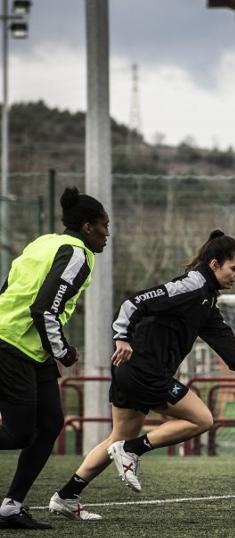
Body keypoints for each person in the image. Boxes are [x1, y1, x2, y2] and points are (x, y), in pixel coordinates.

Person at [50, 231, 235, 520]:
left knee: (118, 435)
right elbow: (133, 303)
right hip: (144, 370)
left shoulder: (206, 297)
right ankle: (132, 449)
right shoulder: (190, 286)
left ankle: (66, 496)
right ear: (214, 264)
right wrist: (121, 337)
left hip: (135, 371)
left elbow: (219, 334)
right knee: (202, 419)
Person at [0, 187, 109, 529]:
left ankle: (10, 507)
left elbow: (8, 288)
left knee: (49, 424)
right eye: (105, 226)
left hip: (31, 348)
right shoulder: (77, 253)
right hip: (13, 344)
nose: (108, 234)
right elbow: (44, 307)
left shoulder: (42, 242)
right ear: (88, 226)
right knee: (19, 434)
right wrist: (63, 351)